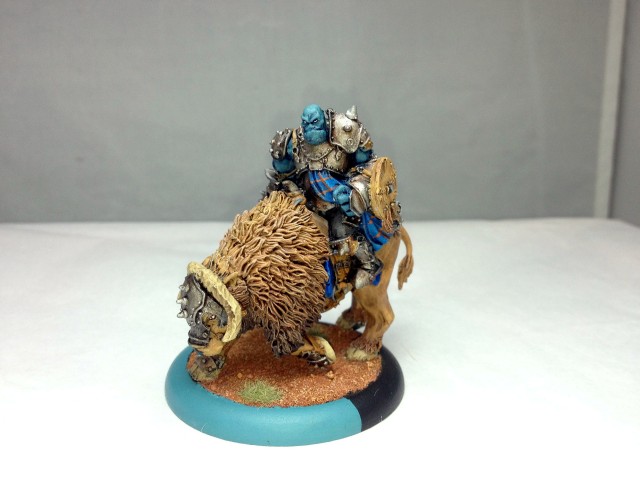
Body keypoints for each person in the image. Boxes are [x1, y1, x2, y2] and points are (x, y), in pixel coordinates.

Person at [266, 104, 399, 293]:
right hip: (306, 201)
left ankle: (369, 263)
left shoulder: (345, 130)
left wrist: (353, 192)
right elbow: (282, 173)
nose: (310, 127)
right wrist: (286, 188)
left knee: (341, 233)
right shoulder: (292, 141)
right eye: (306, 123)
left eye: (314, 122)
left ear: (324, 121)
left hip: (338, 203)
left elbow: (369, 167)